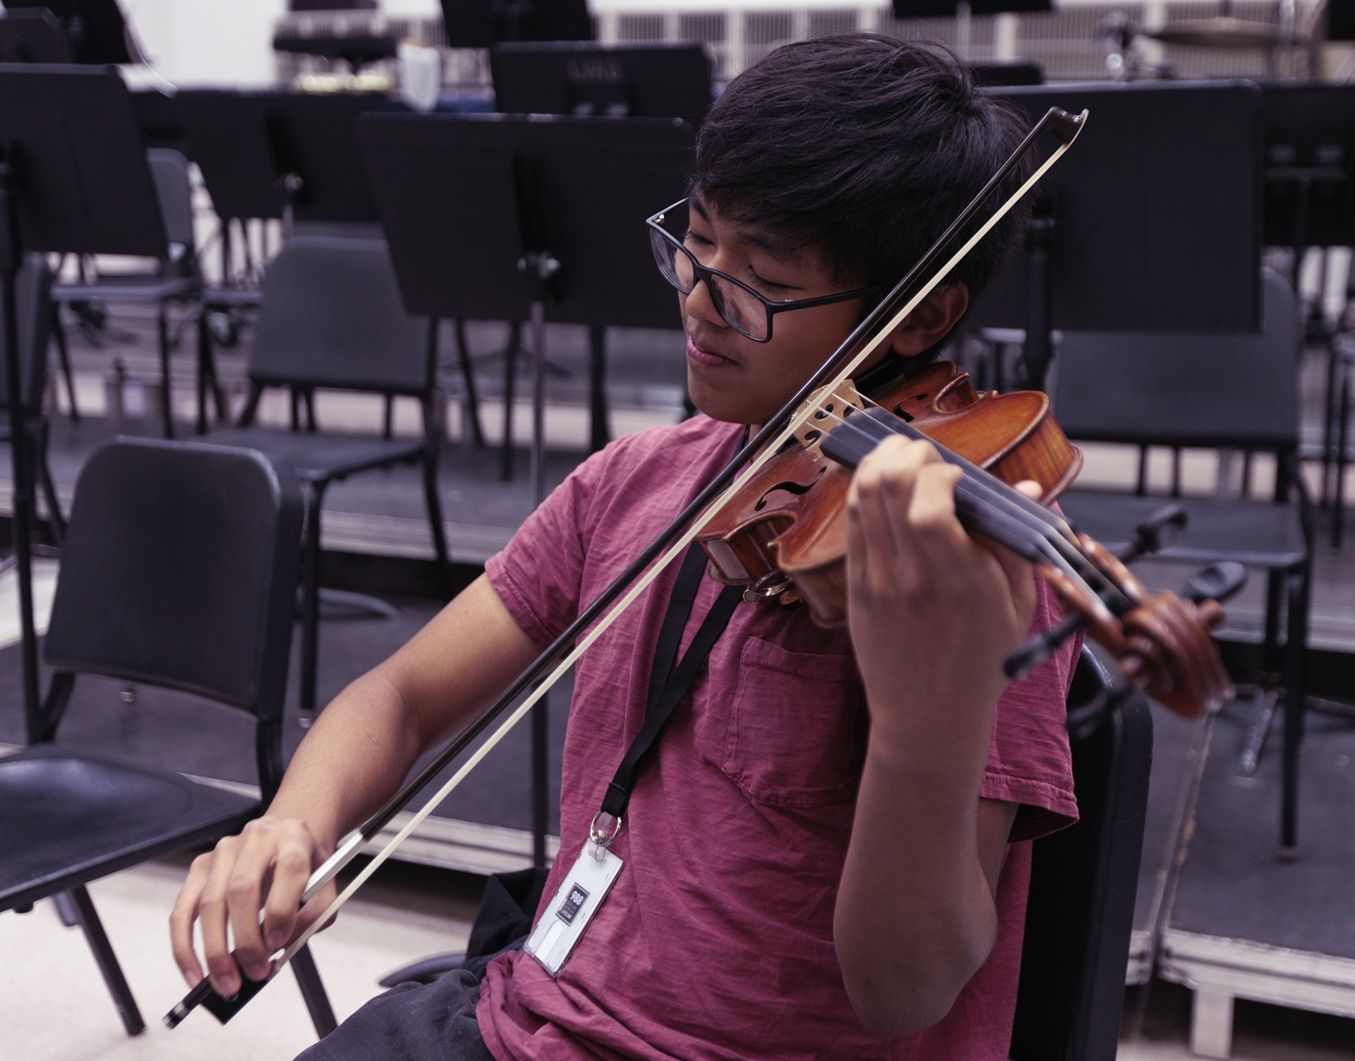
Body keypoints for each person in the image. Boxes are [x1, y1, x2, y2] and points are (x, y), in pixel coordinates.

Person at [169, 33, 1078, 1059]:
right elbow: (402, 695)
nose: (697, 298)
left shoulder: (964, 573)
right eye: (696, 241)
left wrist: (924, 710)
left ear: (920, 314)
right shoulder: (633, 481)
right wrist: (294, 821)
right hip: (525, 1018)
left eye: (759, 279)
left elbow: (906, 987)